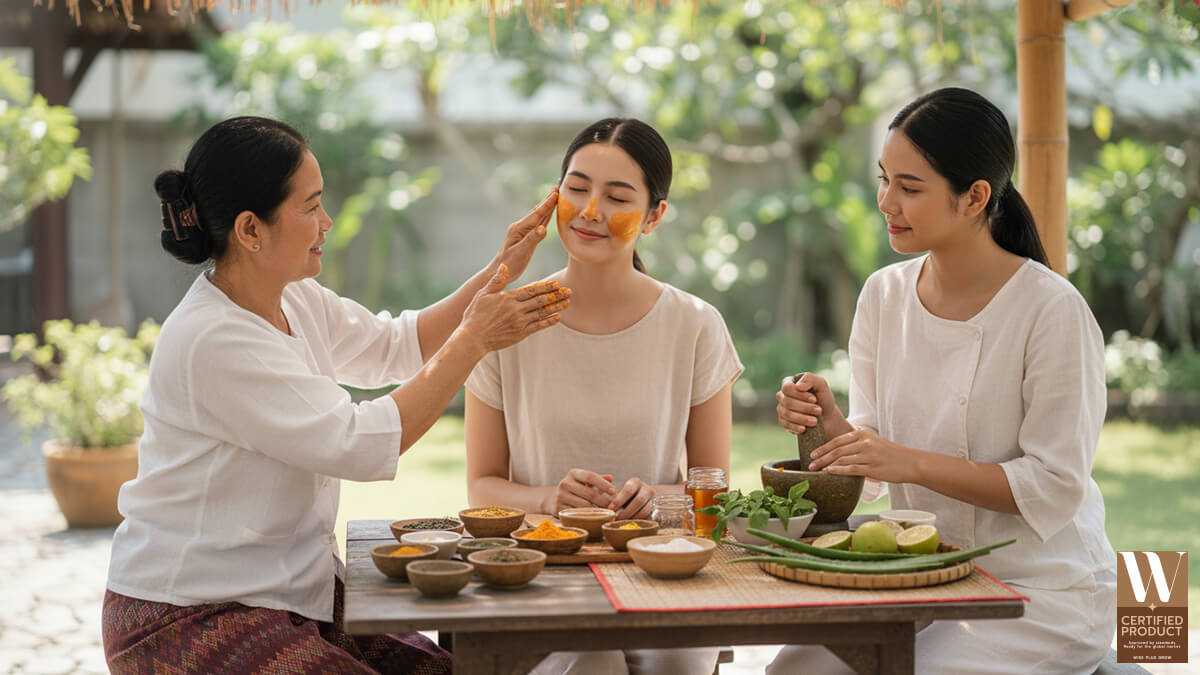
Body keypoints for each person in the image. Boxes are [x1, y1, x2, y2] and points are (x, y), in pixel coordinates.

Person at [102, 116, 570, 673]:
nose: (326, 222)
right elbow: (357, 442)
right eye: (310, 206)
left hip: (293, 594)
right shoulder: (213, 338)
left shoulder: (294, 297)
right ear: (251, 230)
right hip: (189, 611)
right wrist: (475, 340)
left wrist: (498, 270)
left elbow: (398, 344)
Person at [770, 87, 1117, 675]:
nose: (885, 202)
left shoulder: (1050, 309)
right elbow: (874, 443)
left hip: (1038, 591)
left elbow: (1056, 485)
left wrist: (907, 462)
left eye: (909, 188)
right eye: (884, 179)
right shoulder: (883, 295)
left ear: (975, 197)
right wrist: (832, 430)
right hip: (919, 574)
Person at [463, 118, 743, 675]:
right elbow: (481, 488)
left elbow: (714, 491)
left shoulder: (695, 325)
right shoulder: (505, 323)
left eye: (617, 197)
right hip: (542, 576)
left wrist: (658, 500)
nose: (591, 211)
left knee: (676, 666)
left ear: (656, 215)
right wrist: (551, 500)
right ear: (555, 195)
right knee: (593, 663)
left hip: (663, 574)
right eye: (577, 188)